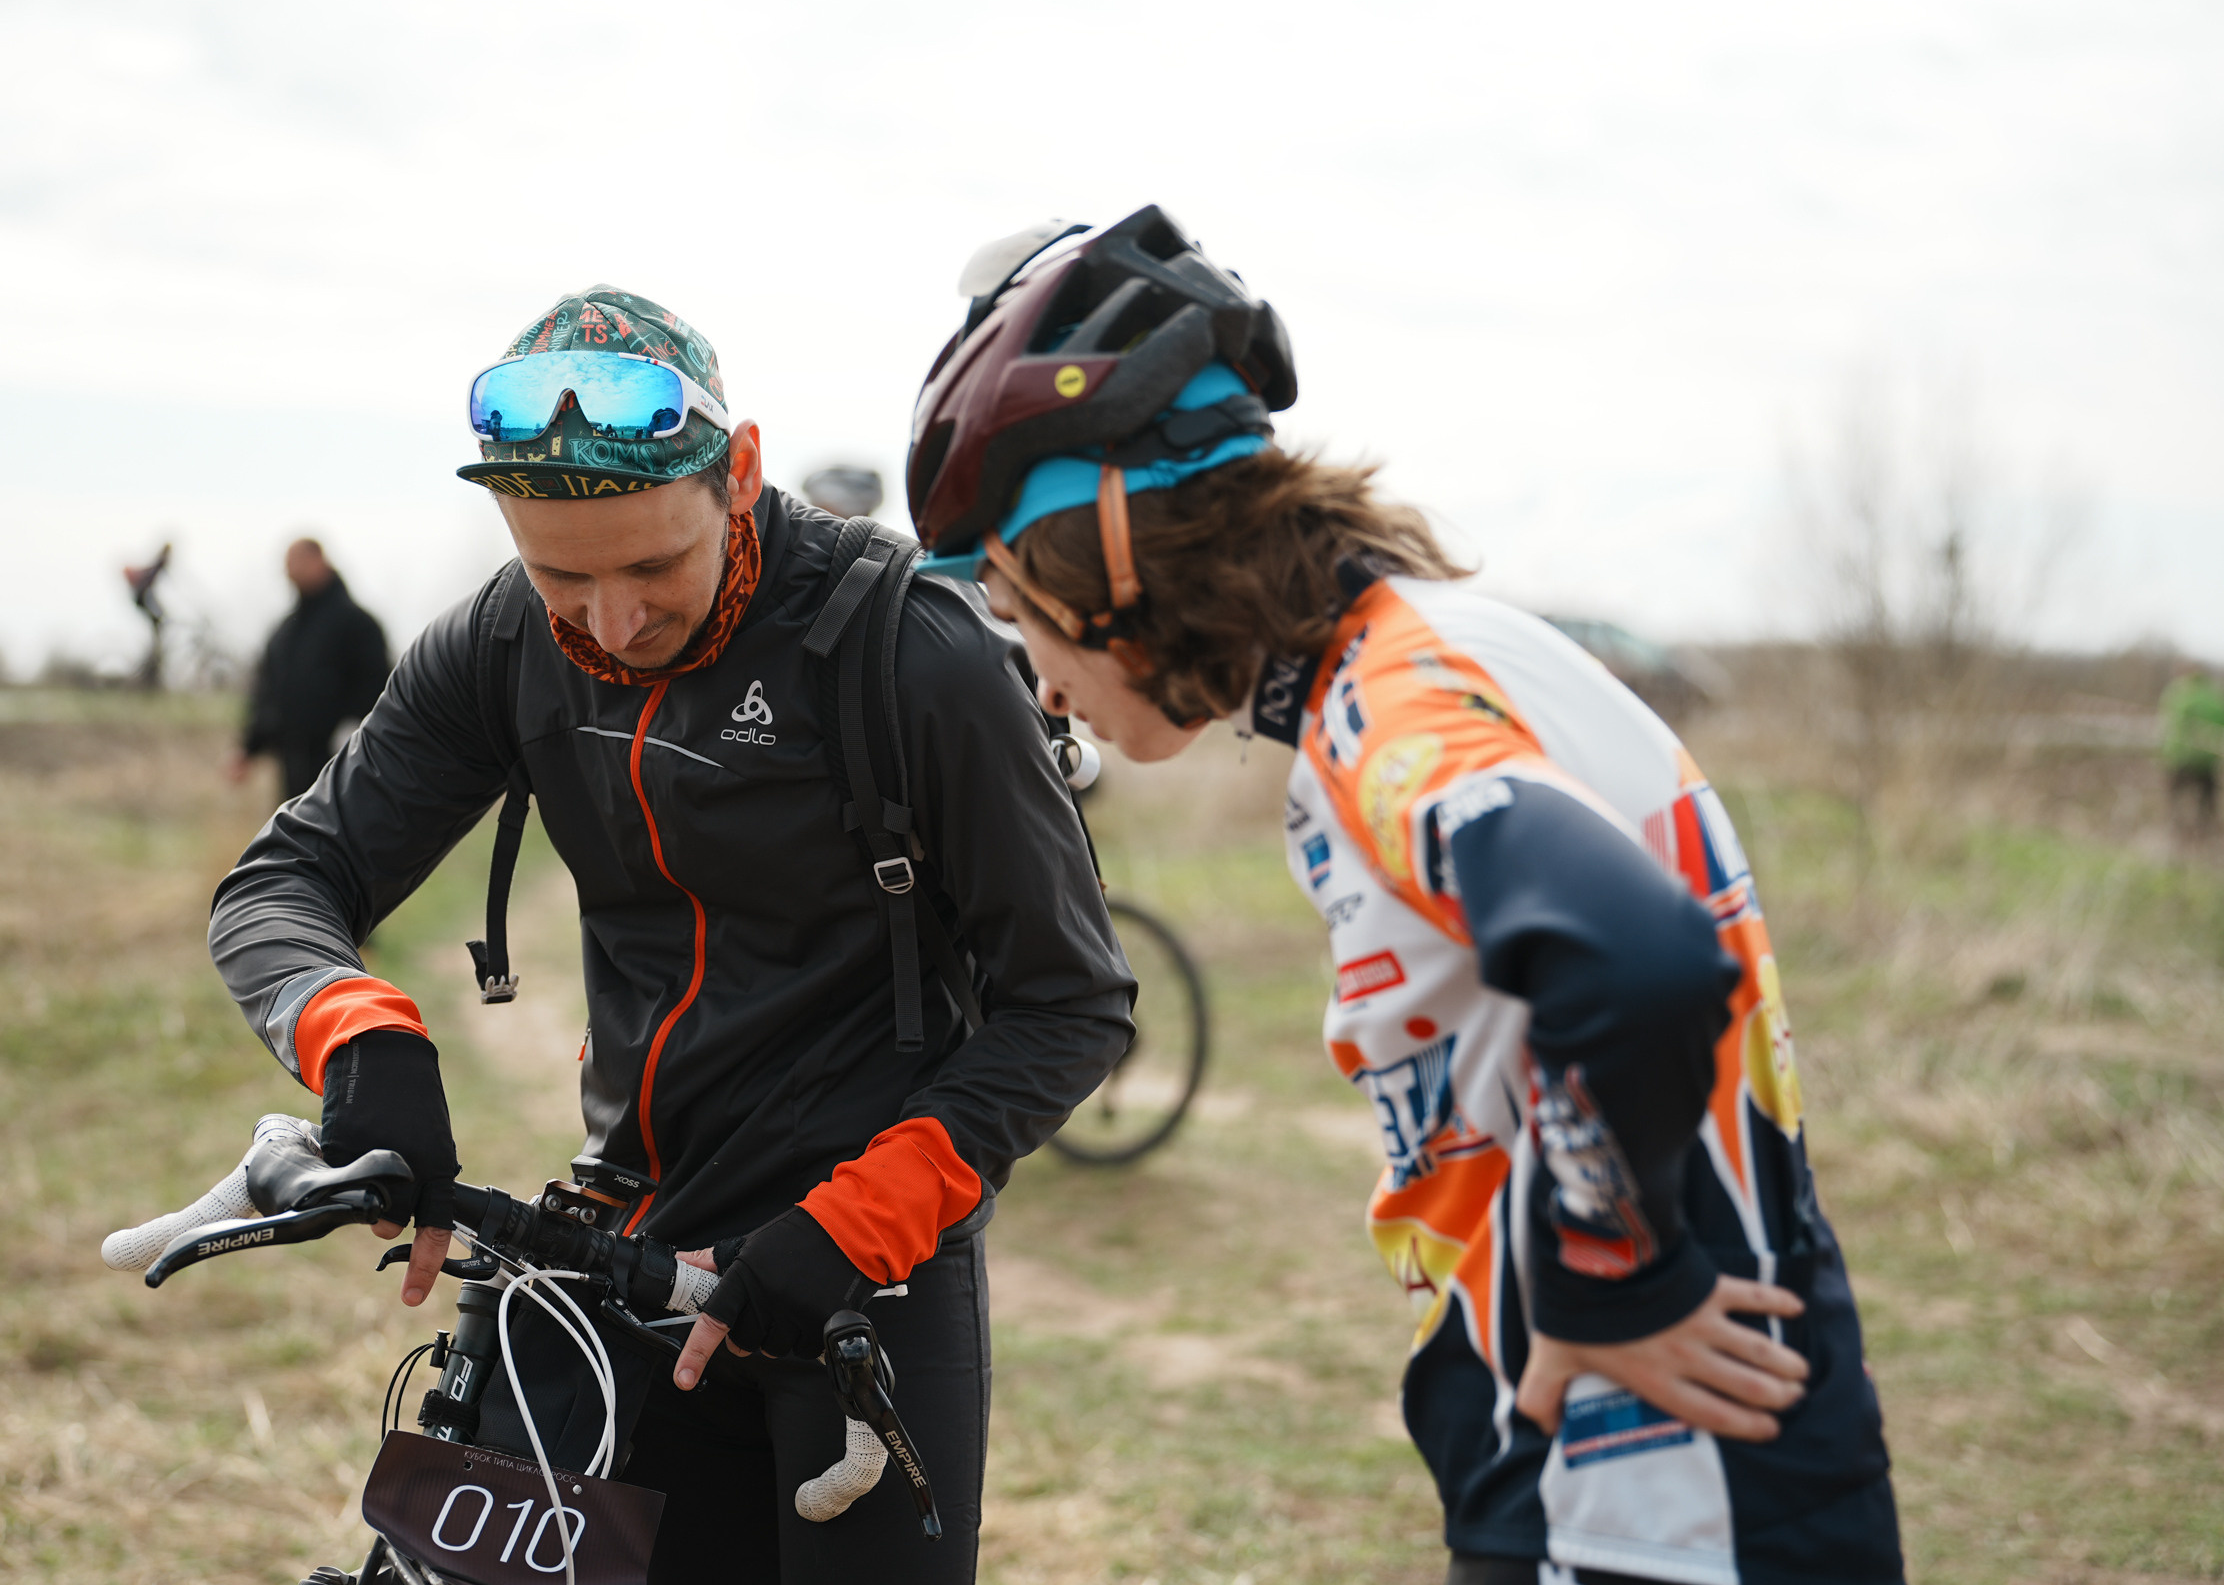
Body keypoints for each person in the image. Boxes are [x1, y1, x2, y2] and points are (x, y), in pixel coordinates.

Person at [904, 208, 1903, 1585]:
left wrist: (1610, 1274)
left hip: (1656, 1487)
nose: (1030, 667)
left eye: (1016, 606)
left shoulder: (1392, 702)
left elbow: (1635, 962)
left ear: (1107, 557)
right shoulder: (1396, 670)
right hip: (1644, 1463)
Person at [206, 285, 1132, 1584]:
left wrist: (853, 1226)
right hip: (618, 1239)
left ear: (740, 472)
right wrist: (362, 1043)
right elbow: (284, 882)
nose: (612, 622)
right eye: (559, 574)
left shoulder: (909, 651)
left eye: (653, 566)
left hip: (861, 1262)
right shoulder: (509, 640)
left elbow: (1071, 1005)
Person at [230, 538, 392, 801]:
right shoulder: (285, 633)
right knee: (295, 837)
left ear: (320, 561)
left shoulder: (358, 625)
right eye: (288, 565)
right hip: (292, 770)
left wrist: (352, 731)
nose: (291, 570)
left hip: (347, 766)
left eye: (298, 562)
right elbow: (269, 694)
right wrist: (249, 749)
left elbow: (377, 686)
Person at [2159, 660, 2223, 838]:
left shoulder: (2178, 693)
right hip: (2206, 759)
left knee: (2175, 800)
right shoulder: (2213, 696)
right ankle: (2206, 837)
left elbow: (2171, 725)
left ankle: (2177, 835)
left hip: (2180, 758)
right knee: (2207, 802)